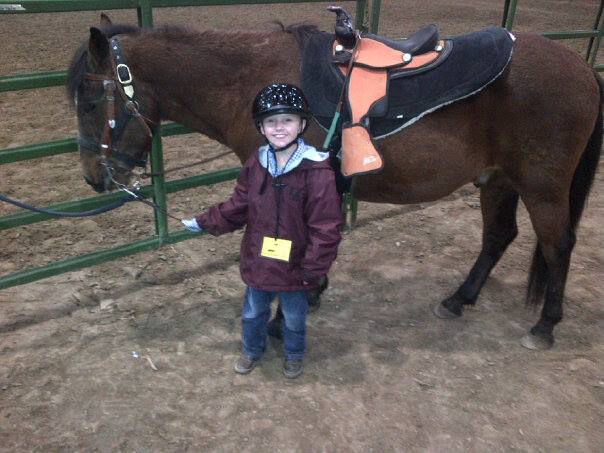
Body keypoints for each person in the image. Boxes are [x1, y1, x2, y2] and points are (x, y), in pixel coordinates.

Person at [181, 83, 342, 379]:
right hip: (260, 261)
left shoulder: (317, 172)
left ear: (302, 124)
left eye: (288, 120)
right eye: (271, 121)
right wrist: (206, 221)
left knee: (294, 317)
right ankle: (252, 349)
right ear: (261, 127)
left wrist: (313, 268)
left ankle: (294, 354)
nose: (279, 128)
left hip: (297, 268)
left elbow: (326, 227)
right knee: (253, 313)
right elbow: (240, 204)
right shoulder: (257, 162)